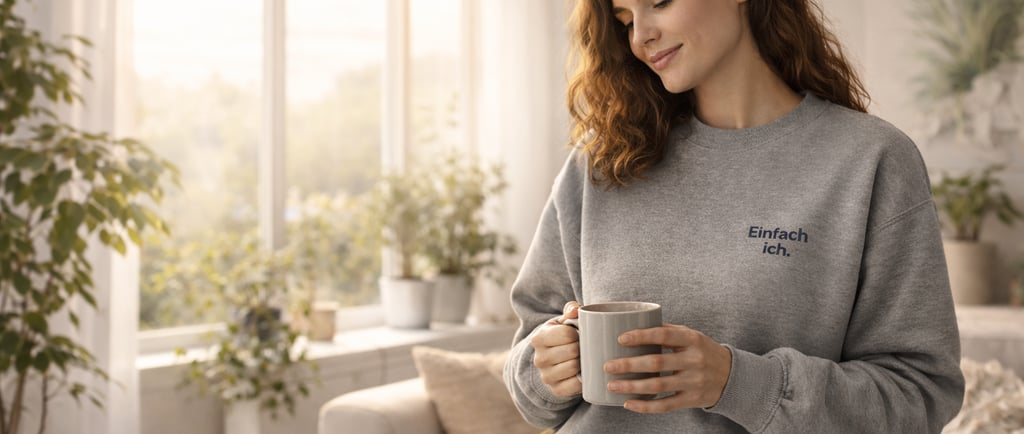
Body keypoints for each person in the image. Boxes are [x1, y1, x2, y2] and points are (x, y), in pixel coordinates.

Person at [502, 0, 966, 432]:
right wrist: (545, 370)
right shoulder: (601, 164)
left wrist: (737, 383)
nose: (641, 35)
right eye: (625, 20)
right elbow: (529, 371)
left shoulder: (871, 161)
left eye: (660, 1)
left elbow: (919, 395)